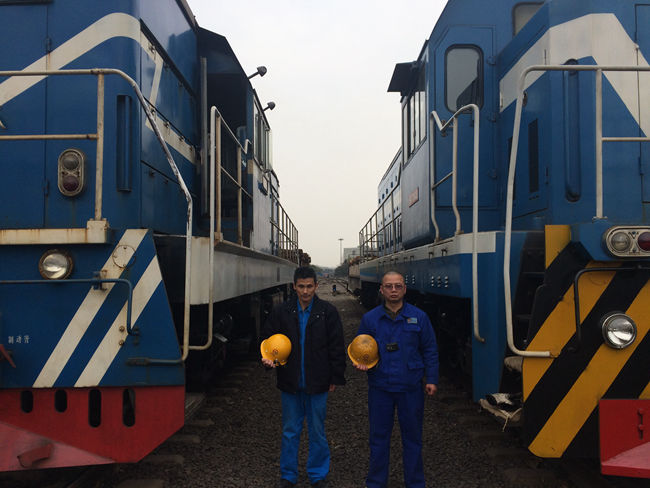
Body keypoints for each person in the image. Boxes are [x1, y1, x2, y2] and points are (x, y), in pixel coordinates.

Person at [261, 266, 346, 488]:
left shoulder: (328, 312)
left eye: (309, 286)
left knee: (317, 431)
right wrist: (268, 360)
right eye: (301, 286)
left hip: (318, 381)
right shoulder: (282, 312)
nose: (306, 291)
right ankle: (288, 476)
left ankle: (317, 475)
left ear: (316, 286)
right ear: (294, 287)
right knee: (290, 430)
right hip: (290, 381)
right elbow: (268, 338)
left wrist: (335, 377)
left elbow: (336, 346)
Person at [353, 271, 439, 488]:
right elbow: (360, 347)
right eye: (389, 286)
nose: (393, 290)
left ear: (404, 289)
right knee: (378, 438)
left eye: (398, 286)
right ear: (381, 290)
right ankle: (375, 483)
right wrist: (361, 363)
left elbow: (430, 349)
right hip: (380, 387)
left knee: (413, 438)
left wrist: (432, 379)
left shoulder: (420, 317)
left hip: (410, 387)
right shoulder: (370, 319)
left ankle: (415, 483)